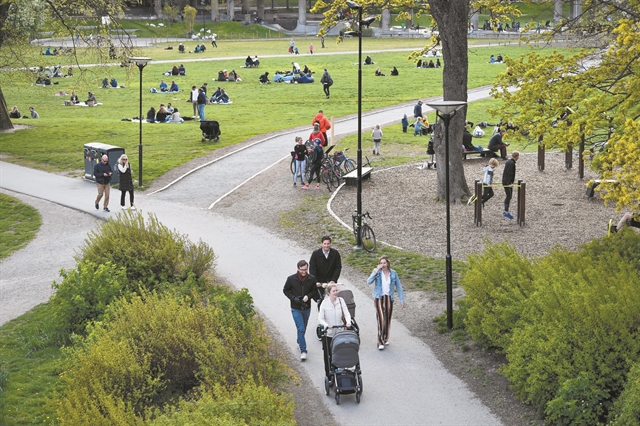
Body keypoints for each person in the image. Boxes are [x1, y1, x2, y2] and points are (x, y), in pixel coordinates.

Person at [367, 256, 404, 350]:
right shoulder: (377, 273)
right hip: (379, 297)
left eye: (384, 263)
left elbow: (399, 287)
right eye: (381, 263)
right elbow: (369, 281)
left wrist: (402, 300)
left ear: (387, 263)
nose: (383, 265)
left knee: (387, 318)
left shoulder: (393, 273)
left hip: (389, 298)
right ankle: (380, 341)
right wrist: (375, 271)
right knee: (381, 318)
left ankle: (385, 337)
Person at [318, 283, 352, 383]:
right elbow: (320, 318)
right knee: (328, 355)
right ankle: (329, 375)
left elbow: (346, 313)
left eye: (336, 291)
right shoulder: (324, 304)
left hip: (339, 333)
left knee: (340, 353)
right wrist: (326, 325)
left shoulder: (341, 301)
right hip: (329, 334)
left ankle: (340, 372)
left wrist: (348, 321)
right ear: (328, 293)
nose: (336, 293)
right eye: (334, 291)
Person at [283, 260, 317, 361]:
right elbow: (285, 290)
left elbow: (314, 291)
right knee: (301, 328)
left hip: (306, 307)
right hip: (296, 308)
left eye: (306, 270)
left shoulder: (311, 279)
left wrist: (308, 296)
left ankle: (299, 340)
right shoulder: (291, 279)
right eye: (302, 270)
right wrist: (294, 298)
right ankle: (303, 351)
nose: (304, 272)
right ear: (298, 269)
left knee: (303, 327)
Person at [309, 236, 342, 306]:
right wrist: (315, 281)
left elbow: (338, 267)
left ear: (330, 244)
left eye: (328, 244)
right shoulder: (315, 254)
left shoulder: (335, 254)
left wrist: (333, 280)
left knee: (333, 300)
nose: (326, 246)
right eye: (325, 244)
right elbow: (312, 268)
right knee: (321, 301)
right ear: (322, 244)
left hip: (330, 282)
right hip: (319, 282)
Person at [502, 151, 520, 220]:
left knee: (509, 196)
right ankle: (505, 211)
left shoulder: (509, 161)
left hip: (505, 181)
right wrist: (509, 183)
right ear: (517, 157)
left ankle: (506, 211)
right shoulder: (512, 163)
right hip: (507, 182)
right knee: (509, 196)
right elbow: (509, 173)